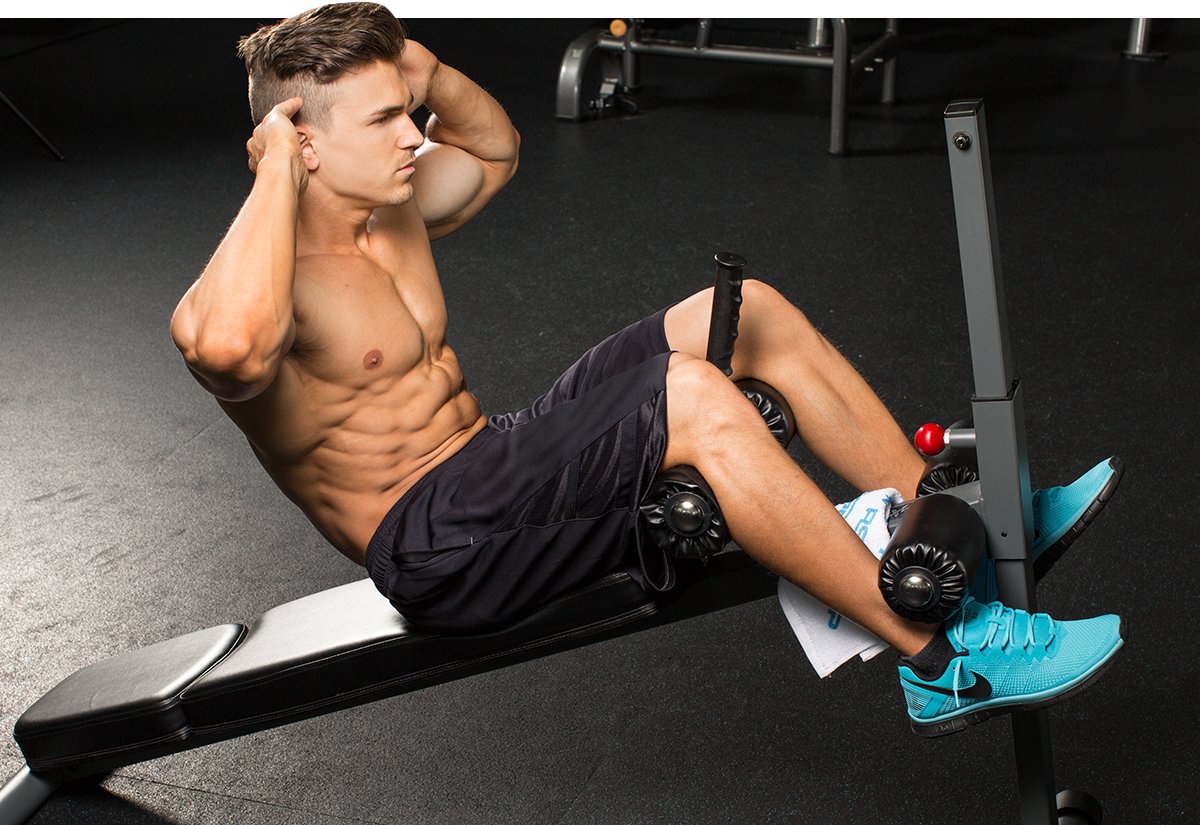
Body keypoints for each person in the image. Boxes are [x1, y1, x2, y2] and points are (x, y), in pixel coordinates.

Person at [170, 4, 1124, 736]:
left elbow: (494, 152)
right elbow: (226, 351)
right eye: (384, 119)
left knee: (743, 316)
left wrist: (425, 70)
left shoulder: (393, 203)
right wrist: (271, 176)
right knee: (693, 397)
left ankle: (966, 523)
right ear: (299, 142)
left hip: (488, 460)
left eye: (406, 112)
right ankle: (942, 660)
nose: (413, 134)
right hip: (432, 541)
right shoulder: (260, 279)